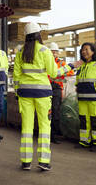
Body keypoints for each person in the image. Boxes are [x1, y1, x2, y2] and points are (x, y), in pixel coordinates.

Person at [13, 22, 82, 171]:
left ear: (26, 36)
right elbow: (54, 73)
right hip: (43, 94)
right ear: (38, 34)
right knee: (44, 126)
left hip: (25, 94)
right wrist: (70, 66)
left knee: (27, 127)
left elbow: (16, 76)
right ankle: (43, 161)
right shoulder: (44, 51)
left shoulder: (20, 52)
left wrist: (18, 92)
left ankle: (26, 161)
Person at [48, 42, 74, 144]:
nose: (54, 54)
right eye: (52, 52)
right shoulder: (46, 62)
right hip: (47, 88)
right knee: (48, 112)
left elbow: (70, 72)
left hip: (57, 88)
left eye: (55, 52)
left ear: (58, 53)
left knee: (56, 111)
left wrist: (59, 73)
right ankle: (48, 134)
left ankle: (54, 135)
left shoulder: (62, 63)